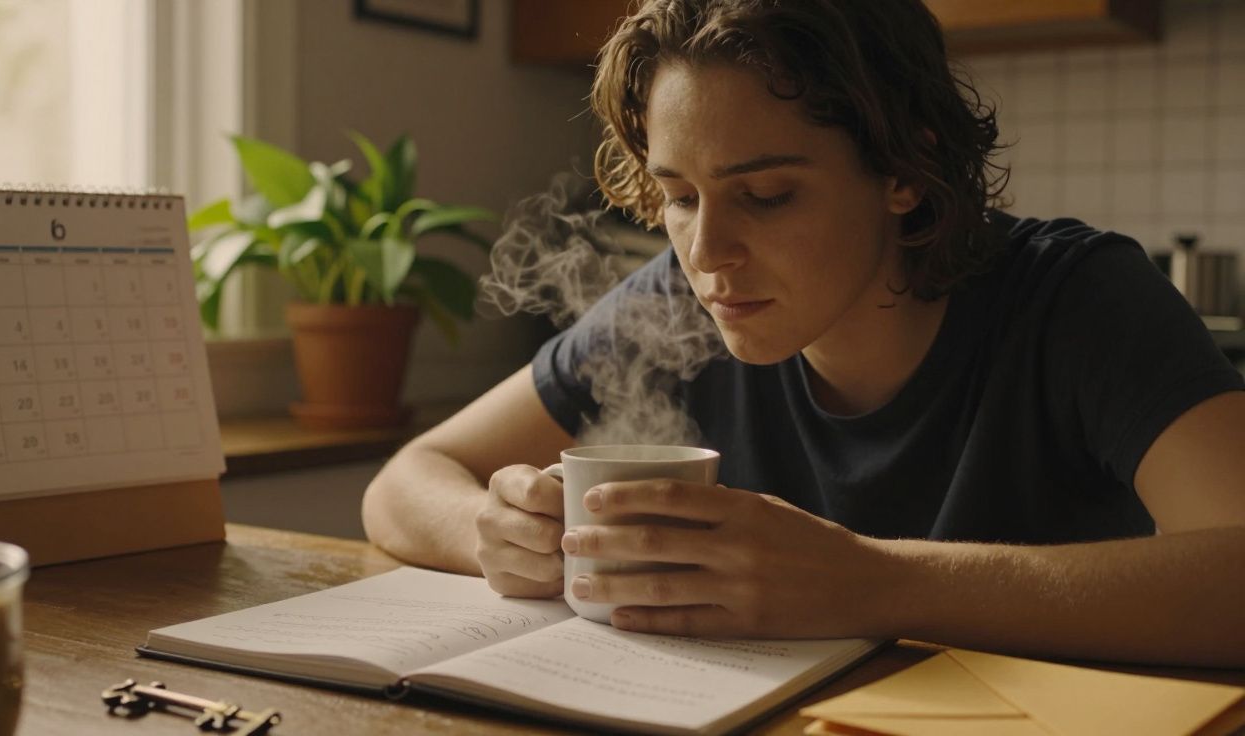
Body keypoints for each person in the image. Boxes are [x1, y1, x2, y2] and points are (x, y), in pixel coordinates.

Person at [363, 0, 1245, 667]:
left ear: (904, 170)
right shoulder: (671, 306)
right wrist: (495, 526)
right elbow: (404, 484)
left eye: (767, 195)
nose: (707, 253)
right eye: (677, 196)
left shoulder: (1076, 300)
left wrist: (875, 584)